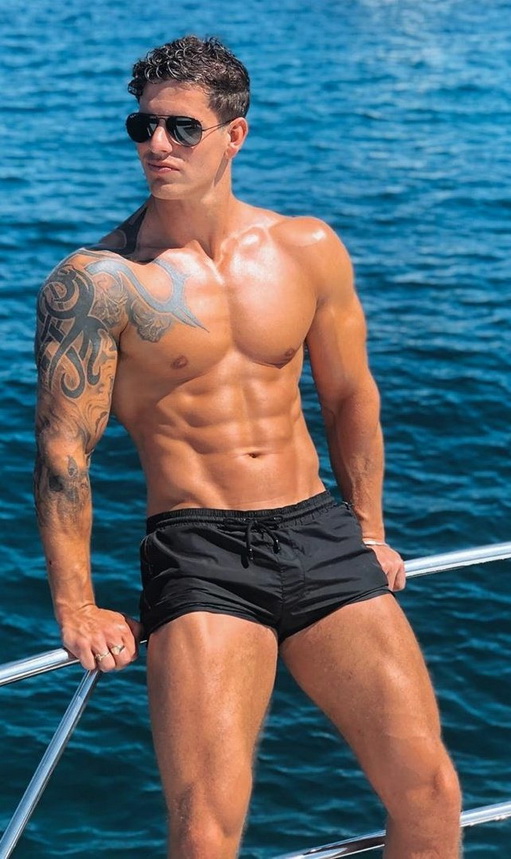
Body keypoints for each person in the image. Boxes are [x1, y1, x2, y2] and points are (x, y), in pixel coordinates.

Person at [34, 35, 461, 859]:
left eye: (181, 128)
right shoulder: (97, 282)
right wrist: (75, 603)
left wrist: (368, 527)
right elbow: (62, 452)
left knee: (430, 792)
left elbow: (348, 396)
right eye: (143, 126)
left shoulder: (306, 248)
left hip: (318, 532)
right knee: (205, 831)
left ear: (234, 134)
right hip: (200, 551)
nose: (157, 145)